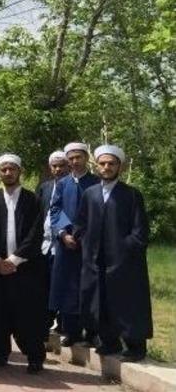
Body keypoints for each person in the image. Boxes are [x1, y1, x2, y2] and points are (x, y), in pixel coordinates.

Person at [75, 145, 152, 362]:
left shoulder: (132, 194)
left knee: (128, 302)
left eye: (111, 163)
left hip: (125, 261)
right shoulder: (90, 194)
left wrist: (126, 249)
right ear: (97, 166)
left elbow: (140, 231)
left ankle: (136, 347)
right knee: (101, 301)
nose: (106, 167)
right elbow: (80, 223)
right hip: (95, 260)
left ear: (120, 166)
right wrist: (85, 243)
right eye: (103, 163)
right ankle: (109, 342)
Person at [0, 154, 47, 374]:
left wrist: (14, 260)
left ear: (19, 171)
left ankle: (34, 357)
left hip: (26, 268)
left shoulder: (33, 200)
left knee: (28, 315)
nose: (8, 173)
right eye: (4, 169)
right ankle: (0, 354)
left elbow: (36, 232)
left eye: (12, 169)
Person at [49, 142, 98, 347]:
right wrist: (63, 234)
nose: (75, 161)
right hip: (67, 244)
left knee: (91, 287)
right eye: (71, 158)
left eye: (79, 157)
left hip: (90, 245)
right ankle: (72, 332)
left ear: (86, 158)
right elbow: (55, 210)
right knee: (67, 286)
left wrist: (85, 236)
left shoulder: (96, 182)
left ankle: (93, 332)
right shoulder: (63, 184)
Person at [36, 150, 69, 340]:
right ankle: (45, 324)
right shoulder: (45, 187)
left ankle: (65, 325)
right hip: (44, 245)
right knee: (44, 285)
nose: (58, 169)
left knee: (63, 285)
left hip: (64, 244)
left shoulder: (72, 186)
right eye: (54, 166)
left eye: (61, 165)